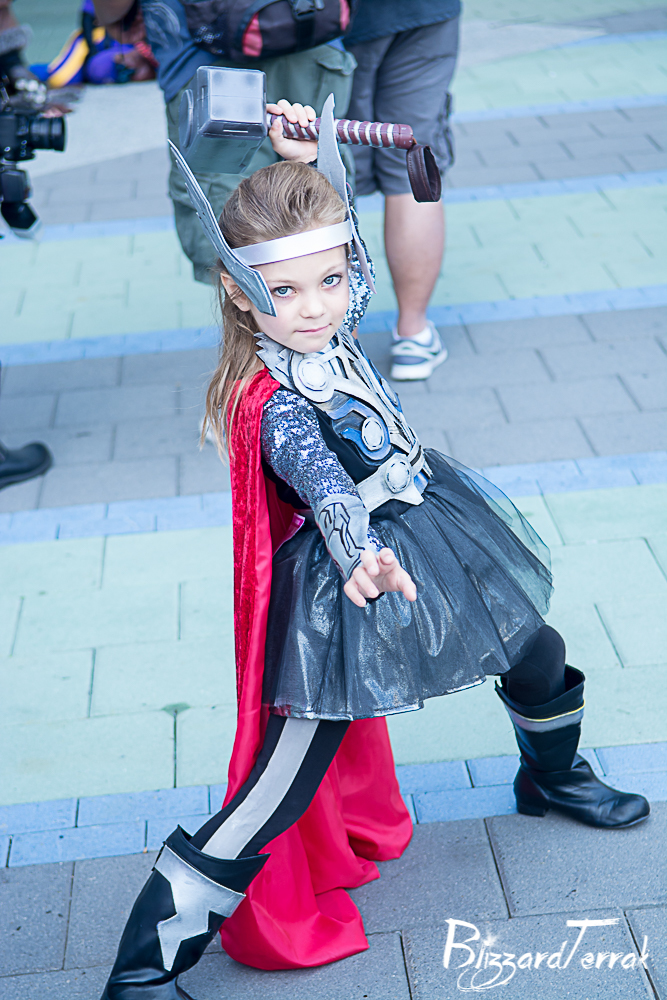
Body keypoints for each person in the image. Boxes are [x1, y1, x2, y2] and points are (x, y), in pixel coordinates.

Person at [99, 101, 650, 1000]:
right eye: (284, 291)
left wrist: (308, 162)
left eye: (328, 281)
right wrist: (359, 554)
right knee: (282, 781)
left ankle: (551, 779)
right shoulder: (277, 405)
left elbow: (347, 249)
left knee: (533, 649)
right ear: (238, 290)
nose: (316, 307)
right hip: (339, 582)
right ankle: (142, 971)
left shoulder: (335, 323)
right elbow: (321, 484)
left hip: (428, 519)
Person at [92, 0, 357, 283]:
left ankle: (260, 305)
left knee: (233, 236)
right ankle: (332, 301)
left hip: (207, 64)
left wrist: (114, 21)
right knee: (324, 208)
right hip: (312, 33)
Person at [344, 0, 460, 380]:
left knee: (327, 169)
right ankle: (413, 335)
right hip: (420, 12)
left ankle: (339, 348)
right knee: (411, 168)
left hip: (324, 21)